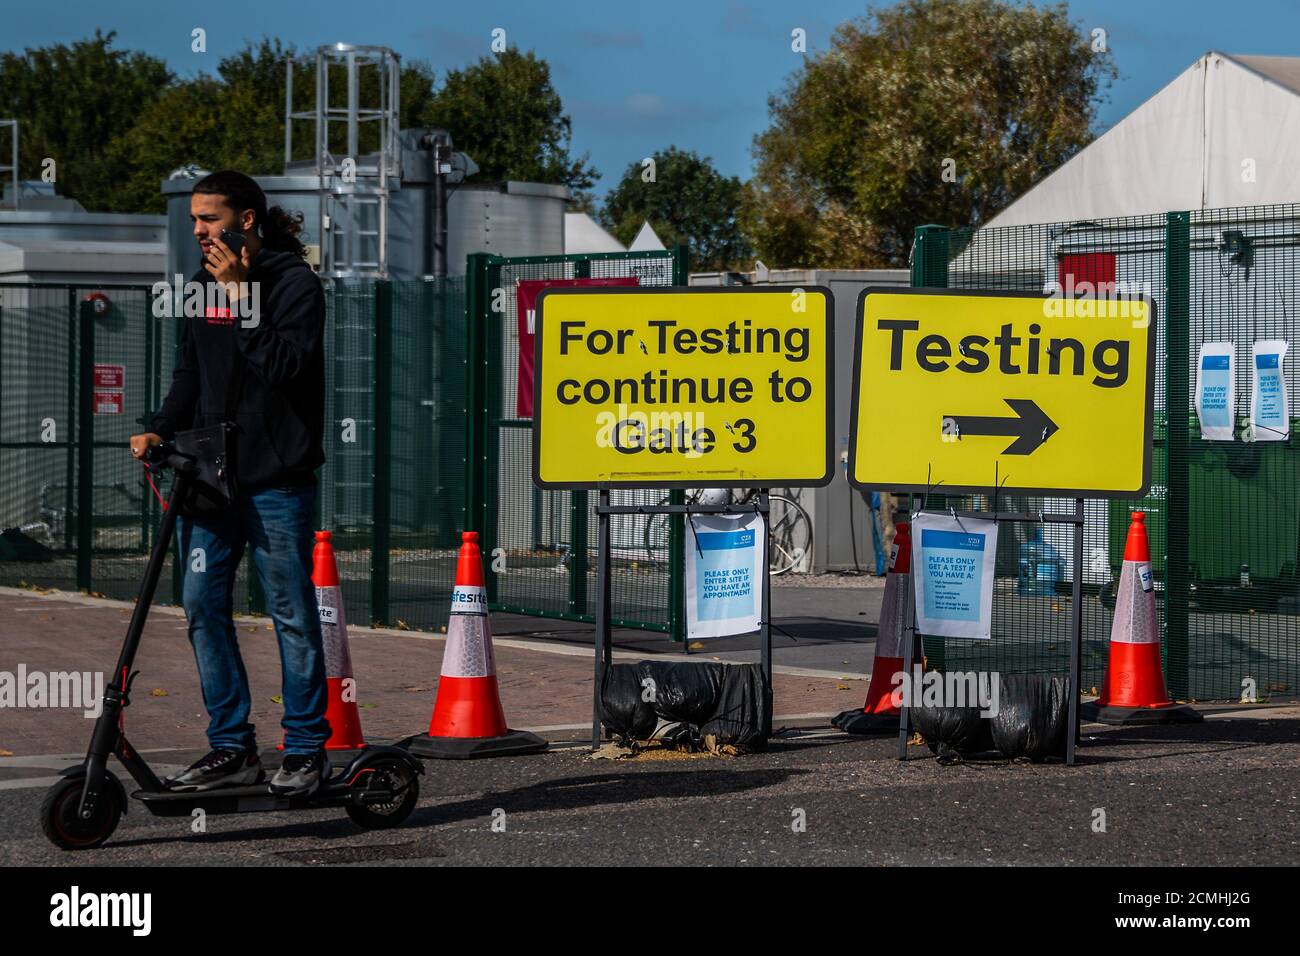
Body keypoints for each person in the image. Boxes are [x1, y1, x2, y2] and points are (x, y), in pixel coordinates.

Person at [129, 170, 330, 796]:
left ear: (246, 220)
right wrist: (160, 427)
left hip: (276, 483)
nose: (198, 231)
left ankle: (303, 749)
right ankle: (230, 747)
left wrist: (243, 298)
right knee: (200, 606)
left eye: (209, 218)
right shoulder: (198, 286)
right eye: (193, 219)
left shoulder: (294, 283)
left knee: (291, 614)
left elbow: (286, 368)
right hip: (209, 481)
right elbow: (190, 372)